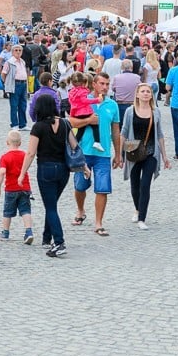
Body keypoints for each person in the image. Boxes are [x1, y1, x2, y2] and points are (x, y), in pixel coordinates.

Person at [19, 94, 77, 257]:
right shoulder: (65, 124)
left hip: (46, 169)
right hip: (64, 170)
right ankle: (46, 237)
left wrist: (22, 173)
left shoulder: (38, 127)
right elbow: (75, 146)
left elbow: (30, 153)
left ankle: (59, 242)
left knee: (50, 206)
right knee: (52, 203)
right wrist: (84, 166)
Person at [70, 73, 121, 236]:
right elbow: (70, 122)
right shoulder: (82, 101)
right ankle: (80, 210)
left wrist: (118, 154)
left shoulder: (112, 105)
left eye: (107, 84)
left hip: (103, 153)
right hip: (83, 152)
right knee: (80, 186)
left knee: (103, 188)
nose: (105, 87)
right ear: (93, 84)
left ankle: (99, 222)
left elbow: (115, 130)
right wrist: (88, 121)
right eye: (102, 83)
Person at [121, 82, 171, 229]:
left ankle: (142, 217)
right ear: (137, 94)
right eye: (142, 91)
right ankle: (137, 208)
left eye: (148, 91)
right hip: (134, 151)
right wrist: (119, 154)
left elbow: (160, 134)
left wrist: (164, 156)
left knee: (145, 184)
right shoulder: (130, 111)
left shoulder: (155, 112)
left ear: (151, 95)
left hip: (151, 153)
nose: (145, 94)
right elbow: (123, 132)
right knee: (135, 185)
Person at [0, 129, 35, 243]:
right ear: (20, 143)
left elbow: (2, 172)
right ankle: (29, 231)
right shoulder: (24, 155)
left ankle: (5, 233)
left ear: (7, 142)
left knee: (7, 212)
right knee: (26, 210)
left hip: (11, 188)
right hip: (25, 187)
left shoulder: (5, 157)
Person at [68, 71, 103, 151]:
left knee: (81, 129)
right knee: (95, 124)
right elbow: (84, 100)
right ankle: (97, 142)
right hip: (85, 111)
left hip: (76, 112)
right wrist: (97, 100)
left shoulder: (72, 92)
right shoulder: (82, 91)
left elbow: (71, 102)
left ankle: (74, 144)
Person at [1, 45, 29, 130]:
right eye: (16, 50)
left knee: (23, 105)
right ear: (12, 52)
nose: (18, 52)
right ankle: (14, 124)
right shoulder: (9, 62)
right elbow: (3, 74)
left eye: (20, 50)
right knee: (14, 105)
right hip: (15, 84)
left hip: (23, 83)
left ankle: (23, 124)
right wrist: (7, 83)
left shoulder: (22, 61)